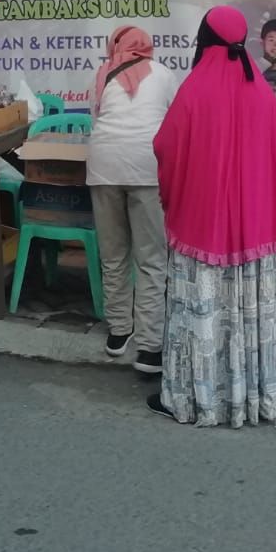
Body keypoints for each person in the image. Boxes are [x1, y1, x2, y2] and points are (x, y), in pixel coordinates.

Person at [150, 6, 276, 427]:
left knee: (203, 313)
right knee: (252, 314)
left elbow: (166, 148)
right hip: (255, 230)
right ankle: (257, 398)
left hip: (203, 229)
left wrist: (179, 192)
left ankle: (198, 400)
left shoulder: (195, 89)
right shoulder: (260, 89)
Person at [86, 26, 177, 375]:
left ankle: (118, 332)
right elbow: (174, 121)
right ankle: (150, 349)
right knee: (152, 259)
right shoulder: (164, 74)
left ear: (116, 46)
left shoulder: (102, 73)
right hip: (146, 169)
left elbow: (96, 120)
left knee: (113, 255)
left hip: (104, 168)